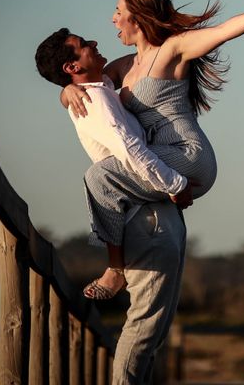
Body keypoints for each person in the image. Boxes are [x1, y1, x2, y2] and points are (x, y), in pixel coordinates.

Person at [60, 0, 244, 298]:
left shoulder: (172, 50)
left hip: (188, 155)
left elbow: (222, 31)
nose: (113, 19)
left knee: (101, 175)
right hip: (159, 155)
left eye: (118, 11)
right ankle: (127, 261)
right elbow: (87, 84)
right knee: (112, 171)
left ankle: (116, 269)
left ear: (137, 17)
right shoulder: (122, 67)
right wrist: (65, 91)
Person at [35, 30, 191, 382]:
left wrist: (64, 90)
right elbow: (132, 152)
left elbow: (133, 66)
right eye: (83, 44)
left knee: (153, 332)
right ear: (72, 64)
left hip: (155, 216)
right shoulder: (96, 102)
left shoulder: (99, 89)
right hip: (146, 218)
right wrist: (176, 184)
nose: (93, 41)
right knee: (143, 331)